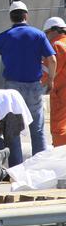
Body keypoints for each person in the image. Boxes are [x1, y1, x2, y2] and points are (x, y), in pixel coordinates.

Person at [0, 1, 56, 165]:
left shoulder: (5, 37)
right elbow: (52, 60)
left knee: (13, 130)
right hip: (34, 87)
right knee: (37, 129)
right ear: (26, 16)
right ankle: (39, 167)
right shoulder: (39, 35)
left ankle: (16, 168)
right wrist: (51, 80)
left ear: (11, 17)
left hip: (12, 90)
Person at [45, 17, 66, 147]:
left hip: (62, 92)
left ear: (53, 31)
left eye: (46, 33)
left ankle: (59, 155)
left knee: (59, 126)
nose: (46, 37)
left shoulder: (56, 45)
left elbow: (51, 69)